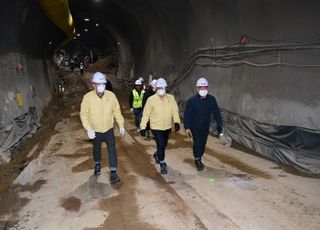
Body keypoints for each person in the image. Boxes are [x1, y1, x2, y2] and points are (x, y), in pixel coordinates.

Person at [80, 71, 126, 183]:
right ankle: (97, 164)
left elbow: (117, 111)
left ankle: (114, 173)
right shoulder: (87, 98)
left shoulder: (111, 96)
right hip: (95, 130)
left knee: (112, 149)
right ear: (93, 85)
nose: (101, 86)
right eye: (99, 84)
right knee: (96, 148)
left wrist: (121, 125)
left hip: (108, 129)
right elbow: (84, 115)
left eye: (103, 84)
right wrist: (88, 128)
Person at [140, 78, 181, 174]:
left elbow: (175, 111)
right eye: (159, 87)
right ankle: (162, 164)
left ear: (166, 88)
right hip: (156, 127)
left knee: (163, 144)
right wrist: (143, 126)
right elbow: (146, 114)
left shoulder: (171, 98)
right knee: (161, 143)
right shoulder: (151, 100)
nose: (161, 89)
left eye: (163, 87)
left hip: (167, 127)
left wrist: (176, 122)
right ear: (156, 88)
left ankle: (157, 154)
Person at [183, 77, 223, 171]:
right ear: (197, 89)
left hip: (205, 126)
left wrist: (219, 125)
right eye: (200, 88)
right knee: (197, 143)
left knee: (202, 144)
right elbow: (187, 114)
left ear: (207, 88)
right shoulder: (192, 100)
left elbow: (216, 113)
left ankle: (198, 155)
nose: (203, 89)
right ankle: (197, 160)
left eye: (204, 87)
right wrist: (187, 127)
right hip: (194, 126)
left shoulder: (211, 99)